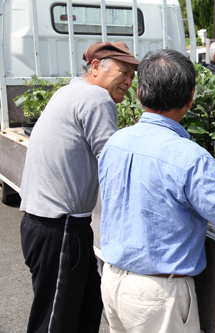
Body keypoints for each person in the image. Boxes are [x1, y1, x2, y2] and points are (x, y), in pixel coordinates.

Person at [98, 49, 215, 333]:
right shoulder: (190, 158)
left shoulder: (115, 142)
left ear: (139, 93)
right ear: (190, 98)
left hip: (113, 281)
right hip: (158, 294)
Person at [19, 41, 139, 333]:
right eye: (123, 72)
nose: (128, 82)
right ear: (96, 67)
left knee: (86, 307)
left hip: (50, 225)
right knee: (55, 323)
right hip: (60, 228)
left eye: (132, 77)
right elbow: (113, 163)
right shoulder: (96, 98)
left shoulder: (69, 91)